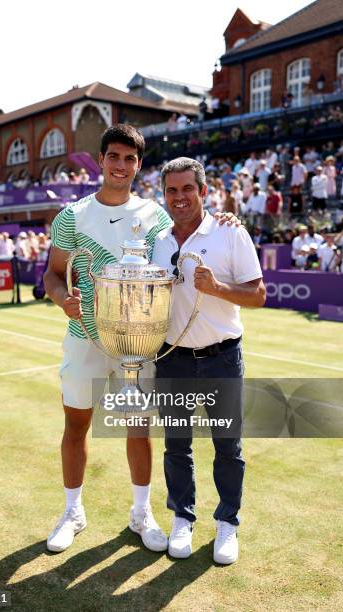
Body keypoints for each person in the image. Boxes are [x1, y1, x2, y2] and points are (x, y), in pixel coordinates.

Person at [43, 124, 238, 555]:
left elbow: (193, 227)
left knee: (138, 427)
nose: (121, 165)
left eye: (130, 159)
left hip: (139, 344)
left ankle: (140, 512)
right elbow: (53, 274)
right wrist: (63, 299)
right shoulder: (71, 216)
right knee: (76, 425)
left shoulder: (157, 215)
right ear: (101, 160)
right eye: (114, 156)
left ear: (138, 165)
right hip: (85, 336)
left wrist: (226, 217)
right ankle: (73, 511)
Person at [152, 157, 265, 563]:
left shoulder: (229, 232)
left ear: (203, 191)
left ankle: (227, 524)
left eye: (187, 189)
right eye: (171, 190)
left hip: (221, 357)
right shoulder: (158, 240)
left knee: (226, 446)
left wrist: (217, 287)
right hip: (173, 359)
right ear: (163, 194)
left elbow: (257, 295)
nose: (179, 197)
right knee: (176, 446)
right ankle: (182, 517)